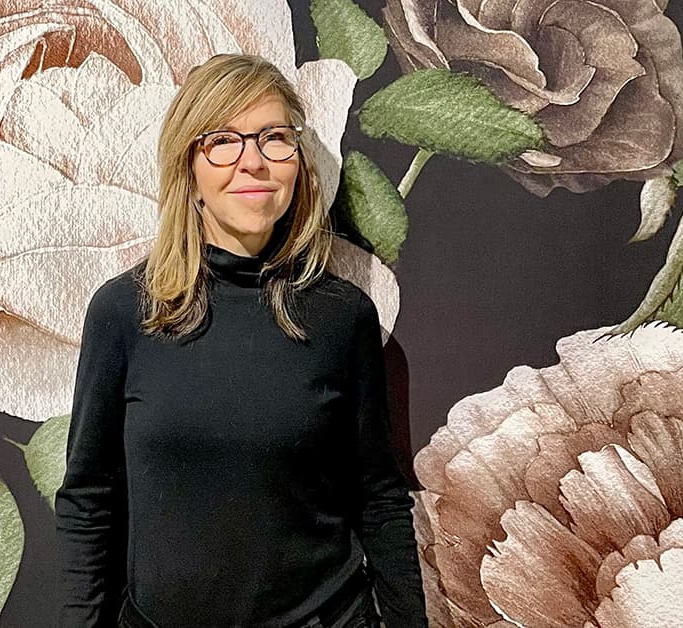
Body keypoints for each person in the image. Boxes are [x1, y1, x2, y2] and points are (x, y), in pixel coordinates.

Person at [55, 53, 426, 628]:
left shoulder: (342, 318)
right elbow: (88, 502)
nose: (253, 162)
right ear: (190, 166)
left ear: (298, 163)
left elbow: (380, 500)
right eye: (223, 141)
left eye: (275, 138)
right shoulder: (124, 313)